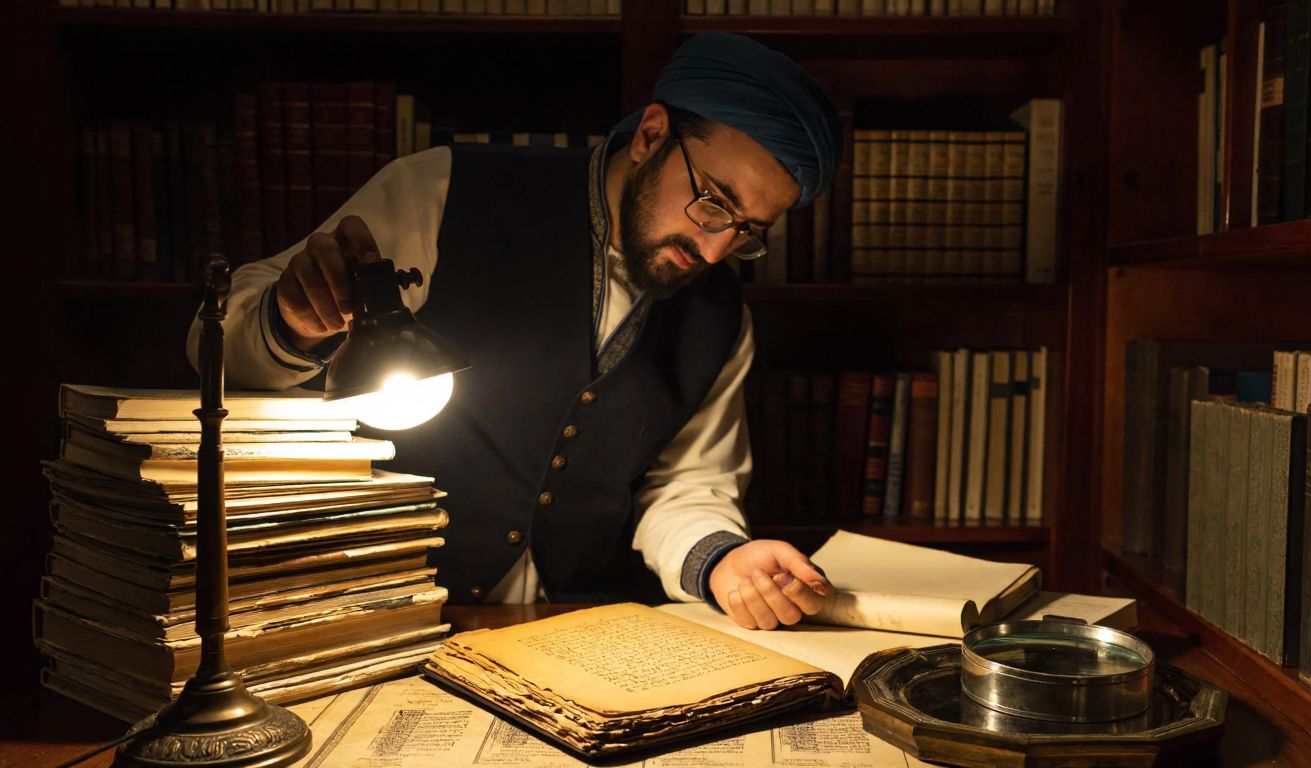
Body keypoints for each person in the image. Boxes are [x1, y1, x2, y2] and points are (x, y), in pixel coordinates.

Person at [192, 32, 843, 631]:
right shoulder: (445, 192)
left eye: (749, 230)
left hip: (578, 631)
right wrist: (293, 323)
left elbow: (688, 484)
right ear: (649, 136)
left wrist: (723, 560)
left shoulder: (721, 316)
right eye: (715, 202)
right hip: (387, 617)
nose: (715, 246)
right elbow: (216, 346)